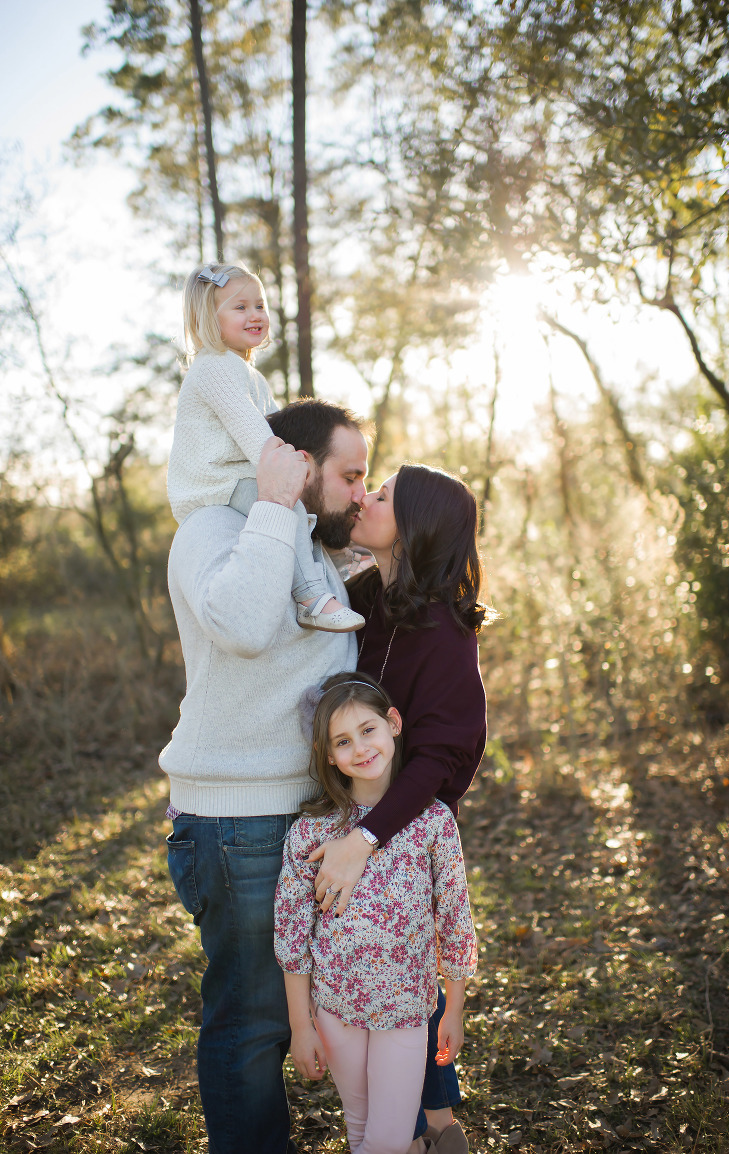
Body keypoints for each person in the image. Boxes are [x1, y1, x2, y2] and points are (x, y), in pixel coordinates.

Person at [161, 398, 369, 1154]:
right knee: (252, 1025)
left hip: (304, 817)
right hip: (239, 825)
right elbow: (247, 627)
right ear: (301, 467)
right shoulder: (213, 531)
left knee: (291, 1013)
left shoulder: (307, 543)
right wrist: (276, 503)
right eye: (351, 474)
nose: (358, 490)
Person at [308, 463, 490, 1154]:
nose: (365, 498)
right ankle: (418, 1130)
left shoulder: (444, 630)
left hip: (407, 841)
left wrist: (366, 840)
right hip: (359, 819)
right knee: (380, 990)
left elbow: (442, 761)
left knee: (408, 991)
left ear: (414, 530)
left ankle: (433, 1135)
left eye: (380, 495)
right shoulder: (366, 598)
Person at [274, 672, 477, 1154]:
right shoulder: (311, 831)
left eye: (369, 730)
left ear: (394, 724)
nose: (361, 748)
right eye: (343, 741)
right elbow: (292, 935)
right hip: (336, 1009)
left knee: (386, 1140)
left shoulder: (431, 823)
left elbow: (454, 915)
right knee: (362, 1130)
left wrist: (455, 1007)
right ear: (328, 755)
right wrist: (302, 1027)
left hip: (405, 1008)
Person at [167, 259, 363, 633]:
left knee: (307, 493)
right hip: (215, 483)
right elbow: (259, 438)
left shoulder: (249, 373)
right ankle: (310, 598)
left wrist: (310, 463)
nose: (254, 314)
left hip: (242, 475)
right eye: (240, 307)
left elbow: (278, 430)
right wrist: (292, 471)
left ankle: (333, 562)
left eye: (259, 305)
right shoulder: (212, 368)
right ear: (209, 318)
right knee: (285, 504)